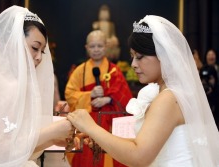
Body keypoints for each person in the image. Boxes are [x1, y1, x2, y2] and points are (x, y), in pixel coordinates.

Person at [67, 15, 219, 166]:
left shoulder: (168, 99)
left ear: (163, 56)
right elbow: (147, 145)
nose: (133, 64)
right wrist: (104, 142)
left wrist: (91, 127)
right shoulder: (168, 93)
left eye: (139, 57)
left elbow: (139, 156)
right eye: (132, 57)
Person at [0, 5, 72, 167]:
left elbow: (17, 151)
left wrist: (51, 139)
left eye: (42, 52)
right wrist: (51, 132)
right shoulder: (3, 85)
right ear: (14, 42)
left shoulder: (14, 82)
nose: (39, 58)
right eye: (34, 48)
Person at [65, 30, 132, 167]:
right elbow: (69, 94)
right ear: (86, 48)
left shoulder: (114, 71)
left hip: (109, 126)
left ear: (106, 47)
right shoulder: (80, 71)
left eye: (100, 46)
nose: (96, 50)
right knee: (86, 160)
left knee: (109, 159)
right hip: (86, 126)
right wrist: (89, 95)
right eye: (92, 46)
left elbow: (126, 98)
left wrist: (109, 99)